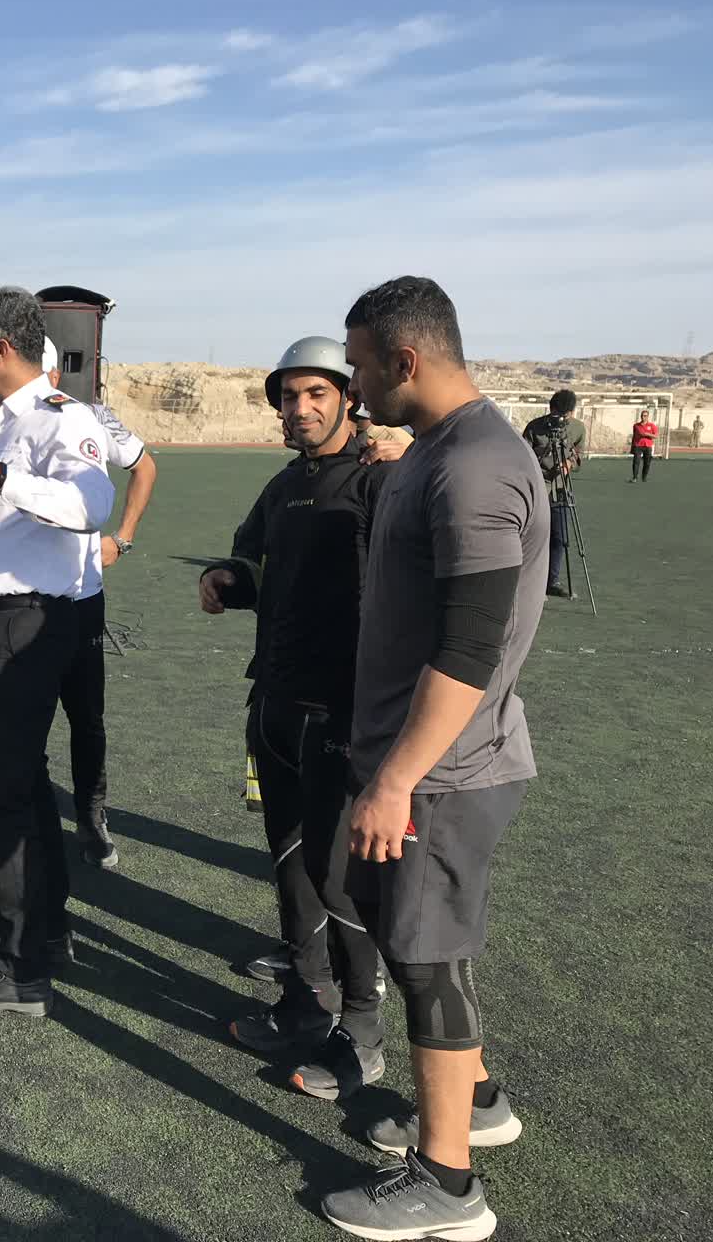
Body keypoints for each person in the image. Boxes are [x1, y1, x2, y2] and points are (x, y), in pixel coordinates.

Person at [319, 276, 543, 1242]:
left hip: (442, 775)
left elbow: (470, 647)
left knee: (424, 959)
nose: (353, 386)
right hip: (419, 763)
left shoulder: (475, 468)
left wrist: (396, 778)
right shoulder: (438, 451)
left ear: (404, 360)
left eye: (359, 367)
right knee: (420, 947)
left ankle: (447, 1186)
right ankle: (475, 1102)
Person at [200, 336, 392, 1099]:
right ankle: (305, 999)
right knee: (290, 863)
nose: (299, 408)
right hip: (273, 703)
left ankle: (362, 1029)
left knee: (337, 876)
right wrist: (226, 578)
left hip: (341, 710)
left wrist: (412, 457)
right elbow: (250, 562)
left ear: (348, 399)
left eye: (316, 394)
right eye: (288, 396)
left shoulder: (379, 478)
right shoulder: (284, 486)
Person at [0, 286, 114, 1018]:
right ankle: (44, 934)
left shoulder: (59, 419)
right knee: (26, 788)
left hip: (31, 624)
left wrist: (2, 476)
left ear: (1, 348)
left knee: (2, 790)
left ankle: (20, 970)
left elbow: (92, 506)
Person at [0, 336, 157, 873]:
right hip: (19, 602)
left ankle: (91, 817)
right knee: (25, 731)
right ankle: (24, 845)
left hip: (79, 599)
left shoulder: (84, 417)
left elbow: (142, 466)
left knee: (85, 716)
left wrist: (123, 538)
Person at [522, 390, 585, 599]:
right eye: (558, 414)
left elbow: (579, 454)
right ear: (551, 409)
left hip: (560, 489)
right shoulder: (535, 427)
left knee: (560, 537)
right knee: (535, 537)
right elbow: (522, 455)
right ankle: (532, 583)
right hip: (537, 488)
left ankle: (553, 581)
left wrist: (568, 464)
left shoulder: (577, 428)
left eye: (566, 415)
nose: (562, 419)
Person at [630, 408, 659, 482]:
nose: (643, 417)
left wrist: (646, 434)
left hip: (648, 446)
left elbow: (656, 436)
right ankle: (634, 477)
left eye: (645, 416)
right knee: (636, 462)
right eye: (642, 415)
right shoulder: (636, 425)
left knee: (647, 462)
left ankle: (644, 477)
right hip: (638, 446)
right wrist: (632, 447)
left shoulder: (652, 425)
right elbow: (634, 436)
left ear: (648, 417)